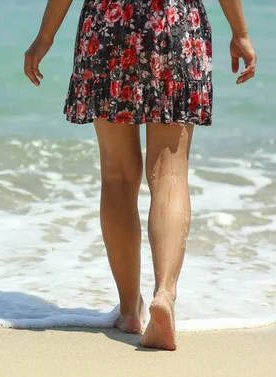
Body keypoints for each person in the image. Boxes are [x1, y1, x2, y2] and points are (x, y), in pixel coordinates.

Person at [24, 0, 256, 350]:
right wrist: (240, 32)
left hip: (107, 27)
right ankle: (165, 293)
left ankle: (130, 309)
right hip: (177, 26)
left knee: (117, 176)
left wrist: (45, 36)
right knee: (170, 172)